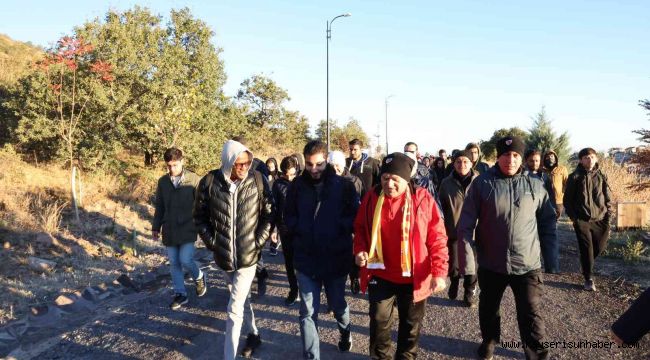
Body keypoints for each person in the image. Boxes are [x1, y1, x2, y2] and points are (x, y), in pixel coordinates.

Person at [458, 136, 557, 360]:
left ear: (521, 158)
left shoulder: (535, 185)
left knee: (531, 311)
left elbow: (547, 223)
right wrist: (469, 263)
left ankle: (537, 353)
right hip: (492, 262)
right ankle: (489, 342)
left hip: (527, 263)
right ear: (498, 157)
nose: (510, 160)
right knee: (489, 308)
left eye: (515, 155)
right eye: (505, 155)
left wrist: (551, 259)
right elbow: (465, 225)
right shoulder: (482, 184)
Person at [354, 152, 448, 359]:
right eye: (385, 178)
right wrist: (360, 250)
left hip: (414, 277)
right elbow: (360, 228)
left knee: (410, 327)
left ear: (406, 180)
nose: (389, 184)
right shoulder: (372, 196)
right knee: (378, 322)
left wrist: (439, 272)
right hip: (380, 273)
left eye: (395, 179)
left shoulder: (422, 198)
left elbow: (438, 237)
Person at [193, 139, 274, 359]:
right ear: (228, 162)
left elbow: (269, 215)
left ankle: (229, 356)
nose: (245, 167)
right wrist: (213, 242)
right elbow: (199, 217)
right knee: (243, 298)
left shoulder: (258, 180)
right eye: (239, 164)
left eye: (247, 162)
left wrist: (257, 242)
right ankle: (254, 333)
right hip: (224, 258)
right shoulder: (209, 182)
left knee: (234, 308)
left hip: (249, 258)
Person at [284, 140, 359, 359]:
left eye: (318, 164)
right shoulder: (296, 186)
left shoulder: (344, 186)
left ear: (326, 160)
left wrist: (335, 229)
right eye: (309, 164)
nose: (314, 169)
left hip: (335, 258)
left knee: (338, 304)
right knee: (307, 312)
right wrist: (301, 229)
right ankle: (311, 356)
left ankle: (345, 332)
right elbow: (289, 216)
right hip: (306, 259)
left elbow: (354, 216)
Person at [152, 148, 206, 310]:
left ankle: (199, 276)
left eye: (175, 165)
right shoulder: (162, 182)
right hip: (169, 228)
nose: (171, 169)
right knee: (174, 263)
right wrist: (156, 226)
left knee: (185, 260)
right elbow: (160, 206)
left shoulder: (194, 179)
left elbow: (202, 205)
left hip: (189, 227)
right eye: (168, 166)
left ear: (182, 161)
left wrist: (203, 226)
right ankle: (181, 294)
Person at [563, 148, 612, 292]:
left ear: (596, 159)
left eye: (592, 157)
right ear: (580, 160)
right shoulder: (574, 177)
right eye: (585, 157)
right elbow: (568, 200)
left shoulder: (602, 176)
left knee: (599, 248)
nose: (589, 160)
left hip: (601, 219)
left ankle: (586, 263)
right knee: (586, 249)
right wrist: (574, 218)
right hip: (582, 220)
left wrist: (608, 216)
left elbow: (607, 198)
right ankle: (588, 278)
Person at [439, 150, 479, 307]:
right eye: (458, 162)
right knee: (454, 264)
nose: (462, 165)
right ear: (453, 163)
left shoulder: (479, 181)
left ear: (471, 163)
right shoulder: (446, 183)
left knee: (472, 264)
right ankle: (454, 282)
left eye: (465, 162)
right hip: (453, 229)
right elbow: (440, 207)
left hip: (474, 230)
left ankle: (469, 292)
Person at [231, 136, 271, 296]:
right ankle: (243, 291)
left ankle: (260, 274)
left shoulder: (260, 166)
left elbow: (265, 194)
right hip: (234, 218)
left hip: (254, 217)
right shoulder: (227, 166)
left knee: (255, 253)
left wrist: (266, 226)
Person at [328, 150, 364, 295]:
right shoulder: (325, 181)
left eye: (338, 165)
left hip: (350, 227)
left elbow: (361, 204)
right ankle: (334, 296)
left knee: (352, 257)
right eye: (332, 165)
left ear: (343, 165)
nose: (335, 169)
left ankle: (355, 277)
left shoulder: (354, 181)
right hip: (331, 229)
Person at [525, 149, 559, 274]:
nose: (534, 163)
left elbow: (551, 194)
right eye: (531, 160)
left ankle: (552, 267)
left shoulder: (545, 177)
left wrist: (554, 209)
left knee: (549, 238)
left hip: (546, 211)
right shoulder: (521, 177)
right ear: (526, 161)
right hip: (529, 213)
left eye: (537, 160)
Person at [272, 156, 299, 305]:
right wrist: (274, 229)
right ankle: (293, 290)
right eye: (286, 174)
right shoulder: (277, 185)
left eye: (293, 174)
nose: (289, 177)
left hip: (302, 228)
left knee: (303, 261)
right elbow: (274, 208)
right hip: (285, 228)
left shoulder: (302, 183)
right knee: (289, 262)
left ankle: (307, 289)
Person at [543, 150, 568, 219]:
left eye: (552, 156)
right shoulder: (542, 170)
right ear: (544, 159)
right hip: (544, 200)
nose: (550, 158)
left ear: (555, 158)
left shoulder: (562, 169)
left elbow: (567, 184)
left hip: (558, 201)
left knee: (556, 219)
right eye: (547, 157)